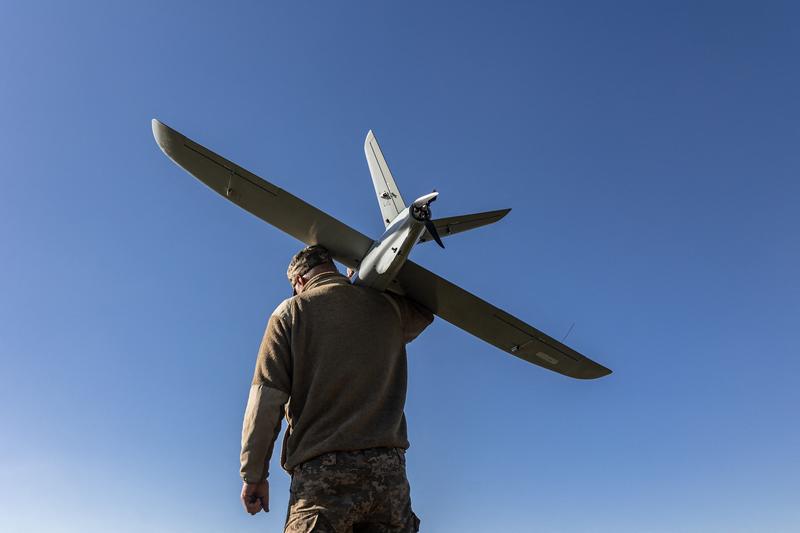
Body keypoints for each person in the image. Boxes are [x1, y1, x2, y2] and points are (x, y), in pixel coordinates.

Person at [239, 244, 433, 532]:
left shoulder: (291, 312)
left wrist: (254, 474)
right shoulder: (388, 307)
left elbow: (266, 399)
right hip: (389, 476)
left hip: (324, 476)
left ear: (299, 281)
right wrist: (376, 279)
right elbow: (425, 311)